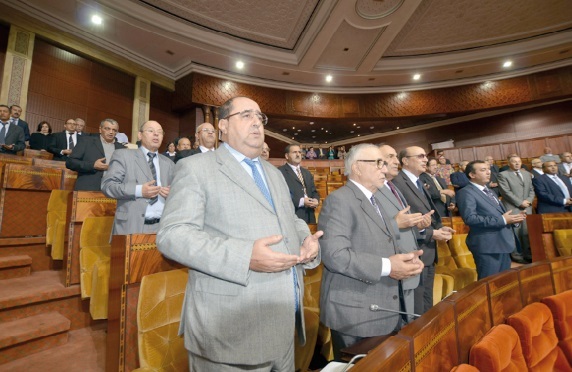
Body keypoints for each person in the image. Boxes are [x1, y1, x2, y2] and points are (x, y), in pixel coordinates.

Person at [157, 96, 322, 371]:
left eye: (260, 117)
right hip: (230, 336)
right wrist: (244, 256)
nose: (257, 122)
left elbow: (289, 219)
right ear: (222, 126)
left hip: (283, 328)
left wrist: (305, 238)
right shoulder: (195, 168)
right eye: (246, 115)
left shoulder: (273, 173)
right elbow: (172, 235)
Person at [319, 144, 423, 360]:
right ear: (357, 167)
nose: (384, 169)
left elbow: (384, 243)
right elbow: (335, 255)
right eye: (378, 163)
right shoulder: (339, 200)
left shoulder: (376, 201)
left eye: (384, 164)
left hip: (384, 307)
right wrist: (388, 266)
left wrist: (407, 261)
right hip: (356, 313)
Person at [392, 146, 454, 315]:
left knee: (427, 303)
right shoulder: (397, 183)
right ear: (405, 161)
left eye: (425, 156)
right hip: (414, 252)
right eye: (420, 156)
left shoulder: (420, 180)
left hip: (428, 252)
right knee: (417, 307)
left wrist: (440, 227)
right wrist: (431, 233)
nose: (425, 160)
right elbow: (401, 220)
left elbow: (430, 213)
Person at [378, 144, 432, 324]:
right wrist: (396, 224)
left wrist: (421, 226)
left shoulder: (393, 187)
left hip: (410, 264)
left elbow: (404, 222)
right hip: (392, 270)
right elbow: (373, 230)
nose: (396, 161)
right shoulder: (374, 191)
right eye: (390, 156)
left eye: (395, 156)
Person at [101, 120, 174, 234]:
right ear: (140, 135)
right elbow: (108, 186)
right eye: (151, 131)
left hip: (163, 228)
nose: (156, 134)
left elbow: (177, 192)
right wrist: (139, 190)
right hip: (132, 225)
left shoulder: (169, 163)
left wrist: (172, 193)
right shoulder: (123, 155)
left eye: (159, 132)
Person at [457, 161, 526, 279]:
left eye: (488, 169)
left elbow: (501, 215)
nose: (488, 172)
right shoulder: (466, 192)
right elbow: (470, 218)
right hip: (487, 245)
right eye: (483, 170)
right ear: (472, 175)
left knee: (503, 283)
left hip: (502, 242)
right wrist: (503, 220)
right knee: (489, 284)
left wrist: (512, 220)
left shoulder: (490, 191)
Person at [66, 119, 125, 191]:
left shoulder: (122, 148)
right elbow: (70, 162)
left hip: (114, 190)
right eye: (107, 129)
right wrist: (93, 165)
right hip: (89, 189)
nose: (111, 132)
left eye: (114, 130)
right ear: (100, 129)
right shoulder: (86, 141)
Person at [497, 154, 534, 264]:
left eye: (519, 161)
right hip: (512, 207)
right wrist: (520, 202)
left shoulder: (527, 174)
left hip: (527, 206)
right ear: (509, 163)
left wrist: (529, 200)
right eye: (514, 161)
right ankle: (517, 255)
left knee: (527, 232)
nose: (517, 163)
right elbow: (506, 192)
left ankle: (528, 254)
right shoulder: (503, 175)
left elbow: (531, 189)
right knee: (516, 232)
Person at [278, 144, 320, 223]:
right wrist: (301, 201)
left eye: (299, 152)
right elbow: (280, 196)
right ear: (287, 156)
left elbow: (314, 192)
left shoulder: (306, 172)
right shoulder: (279, 172)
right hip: (293, 217)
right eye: (294, 152)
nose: (298, 154)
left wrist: (316, 200)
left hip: (310, 216)